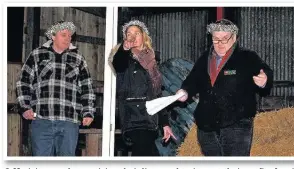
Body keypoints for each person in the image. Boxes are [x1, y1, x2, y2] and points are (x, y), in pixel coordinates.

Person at [176, 19, 273, 156]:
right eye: (216, 39)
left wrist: (264, 80)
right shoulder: (205, 58)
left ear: (234, 38)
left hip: (236, 124)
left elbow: (265, 72)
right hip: (206, 126)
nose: (220, 43)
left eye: (225, 39)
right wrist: (185, 91)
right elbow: (193, 80)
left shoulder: (247, 57)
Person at [16, 21, 95, 156]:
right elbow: (23, 81)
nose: (68, 38)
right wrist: (25, 107)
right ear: (52, 36)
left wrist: (88, 112)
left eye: (70, 36)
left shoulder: (79, 59)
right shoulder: (37, 54)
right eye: (64, 35)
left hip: (69, 121)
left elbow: (87, 87)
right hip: (41, 120)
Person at [108, 20, 176, 156]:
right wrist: (124, 49)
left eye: (136, 33)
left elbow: (157, 95)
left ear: (143, 37)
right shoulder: (124, 59)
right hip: (134, 118)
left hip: (150, 119)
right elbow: (118, 64)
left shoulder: (151, 62)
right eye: (129, 33)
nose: (132, 36)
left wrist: (165, 124)